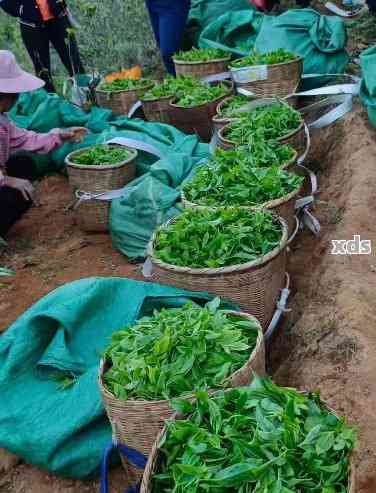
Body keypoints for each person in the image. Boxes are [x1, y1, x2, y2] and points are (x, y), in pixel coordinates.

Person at [0, 50, 87, 237]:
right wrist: (7, 180)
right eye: (13, 94)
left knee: (23, 164)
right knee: (13, 195)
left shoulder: (3, 120)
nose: (16, 98)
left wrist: (60, 135)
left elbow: (26, 139)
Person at [0, 0, 84, 93]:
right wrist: (21, 10)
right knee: (42, 71)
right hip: (31, 25)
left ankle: (85, 99)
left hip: (59, 18)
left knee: (74, 62)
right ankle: (51, 104)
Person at [145, 0, 191, 76]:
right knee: (168, 49)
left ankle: (183, 81)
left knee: (169, 52)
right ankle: (179, 81)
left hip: (172, 4)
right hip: (152, 4)